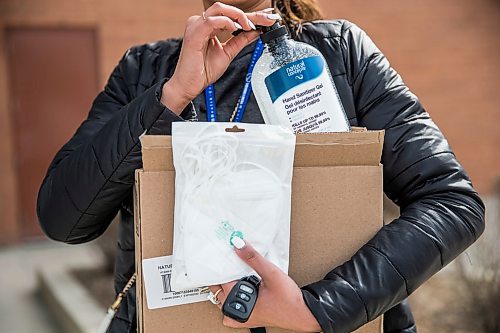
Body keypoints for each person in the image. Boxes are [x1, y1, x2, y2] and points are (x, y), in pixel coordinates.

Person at [36, 0, 485, 332]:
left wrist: (320, 309)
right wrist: (170, 97)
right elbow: (63, 219)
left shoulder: (339, 53)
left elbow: (451, 202)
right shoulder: (143, 72)